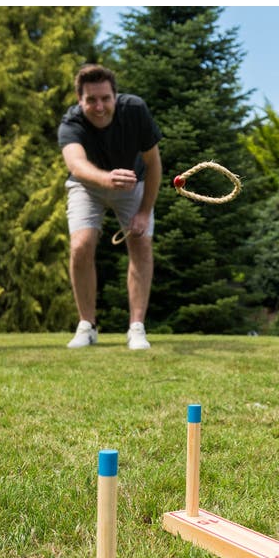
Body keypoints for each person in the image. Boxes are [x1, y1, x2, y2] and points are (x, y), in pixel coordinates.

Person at [58, 64, 162, 350]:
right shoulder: (71, 123)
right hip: (88, 185)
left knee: (141, 243)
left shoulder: (135, 110)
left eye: (105, 98)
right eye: (91, 100)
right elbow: (76, 165)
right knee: (81, 245)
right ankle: (87, 326)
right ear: (80, 101)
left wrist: (143, 211)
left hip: (133, 184)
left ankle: (136, 328)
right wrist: (106, 178)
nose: (99, 106)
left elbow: (154, 165)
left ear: (115, 96)